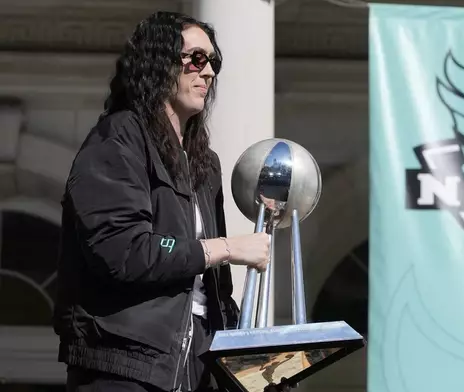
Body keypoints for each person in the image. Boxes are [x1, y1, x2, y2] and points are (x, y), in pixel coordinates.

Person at [53, 11, 291, 392]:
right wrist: (227, 248)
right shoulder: (118, 139)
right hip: (125, 368)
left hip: (192, 369)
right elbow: (125, 250)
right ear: (159, 63)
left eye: (214, 62)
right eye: (196, 58)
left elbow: (210, 291)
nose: (209, 72)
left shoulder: (203, 162)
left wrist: (248, 361)